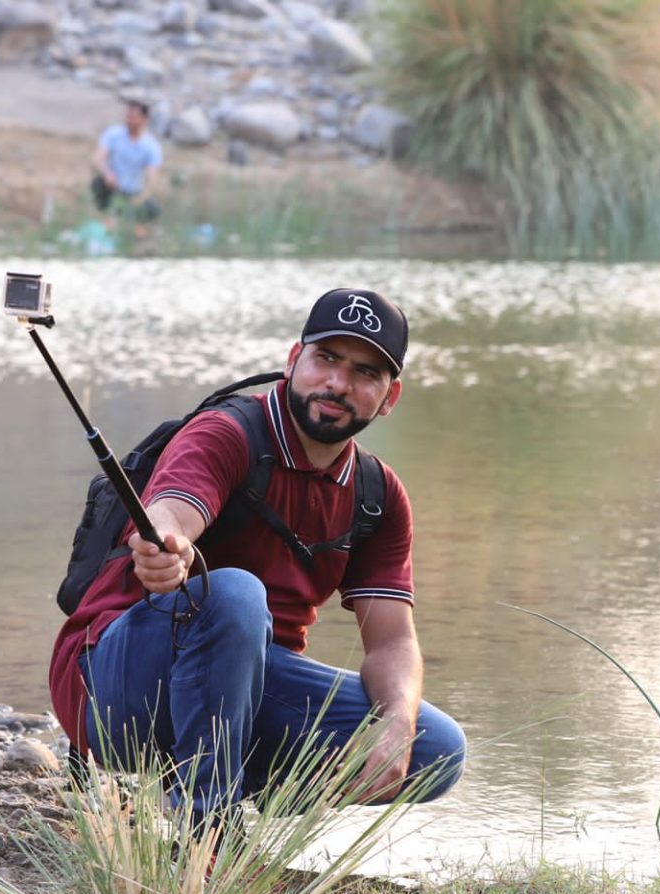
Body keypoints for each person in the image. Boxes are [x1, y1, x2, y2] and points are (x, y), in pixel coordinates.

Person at [47, 288, 466, 827]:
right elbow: (173, 513)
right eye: (326, 358)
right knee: (236, 593)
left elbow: (392, 642)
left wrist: (396, 729)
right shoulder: (226, 433)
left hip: (246, 694)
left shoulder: (377, 495)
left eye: (365, 373)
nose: (338, 383)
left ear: (390, 397)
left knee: (436, 748)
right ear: (294, 360)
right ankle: (205, 827)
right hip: (113, 687)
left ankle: (236, 783)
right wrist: (167, 548)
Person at [90, 99, 163, 223]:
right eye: (128, 116)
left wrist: (140, 198)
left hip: (133, 191)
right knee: (98, 183)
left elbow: (152, 180)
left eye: (133, 117)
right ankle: (104, 215)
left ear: (144, 119)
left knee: (152, 209)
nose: (129, 120)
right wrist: (106, 173)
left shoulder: (152, 147)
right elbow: (97, 159)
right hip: (112, 186)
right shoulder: (114, 134)